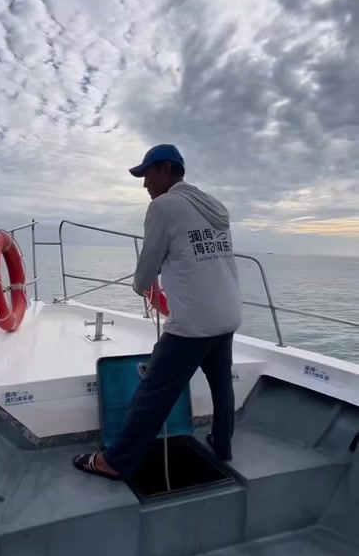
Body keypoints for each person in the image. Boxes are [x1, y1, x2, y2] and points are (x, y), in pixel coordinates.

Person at [73, 143, 242, 481]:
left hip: (192, 323)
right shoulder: (214, 207)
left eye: (147, 174)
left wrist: (141, 286)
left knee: (153, 393)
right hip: (227, 314)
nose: (144, 184)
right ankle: (222, 444)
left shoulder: (164, 207)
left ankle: (115, 461)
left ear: (165, 169)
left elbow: (146, 268)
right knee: (222, 386)